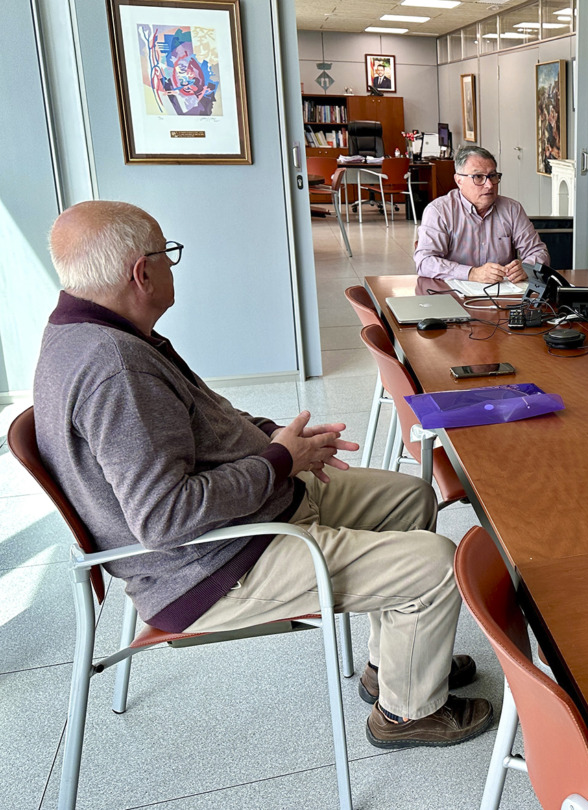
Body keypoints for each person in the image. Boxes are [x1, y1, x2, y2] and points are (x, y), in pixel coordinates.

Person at [33, 201, 492, 749]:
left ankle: (397, 667)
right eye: (168, 255)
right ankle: (407, 716)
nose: (173, 266)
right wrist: (279, 460)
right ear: (141, 271)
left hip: (251, 513)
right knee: (440, 565)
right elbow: (164, 518)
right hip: (216, 563)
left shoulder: (92, 332)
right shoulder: (116, 366)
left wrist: (280, 437)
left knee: (409, 498)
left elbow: (205, 419)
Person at [415, 145, 549, 284]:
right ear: (459, 180)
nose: (489, 185)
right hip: (453, 293)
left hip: (502, 294)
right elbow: (424, 262)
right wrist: (471, 273)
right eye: (478, 177)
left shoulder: (512, 209)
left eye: (492, 176)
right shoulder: (439, 211)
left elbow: (539, 252)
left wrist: (526, 267)